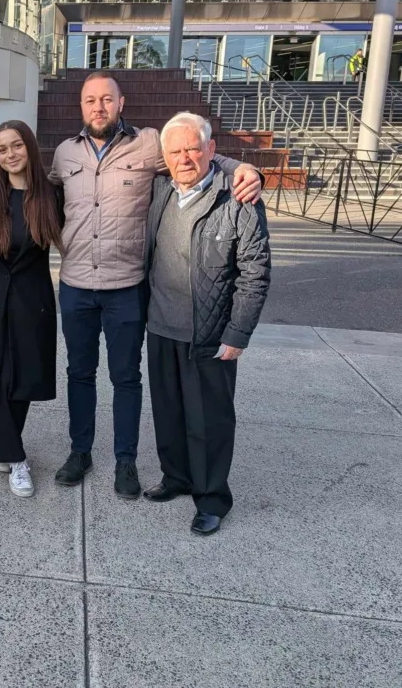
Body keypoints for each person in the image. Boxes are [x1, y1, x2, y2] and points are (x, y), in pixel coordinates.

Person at [48, 70, 262, 498]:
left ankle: (126, 461)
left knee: (126, 378)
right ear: (81, 106)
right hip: (74, 286)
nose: (99, 107)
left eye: (106, 99)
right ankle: (80, 451)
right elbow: (47, 199)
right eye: (91, 100)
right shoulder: (64, 154)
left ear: (121, 103)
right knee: (79, 373)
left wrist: (247, 168)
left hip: (126, 287)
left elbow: (196, 154)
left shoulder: (148, 144)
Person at [142, 112, 271, 536]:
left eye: (194, 148)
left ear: (211, 150)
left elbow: (256, 271)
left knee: (210, 421)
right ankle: (176, 477)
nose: (185, 158)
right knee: (169, 412)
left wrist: (238, 334)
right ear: (165, 156)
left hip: (210, 334)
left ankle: (212, 498)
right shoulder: (160, 189)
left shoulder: (237, 199)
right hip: (161, 326)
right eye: (175, 151)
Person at [0, 120, 64, 498]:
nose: (9, 155)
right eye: (2, 149)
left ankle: (5, 446)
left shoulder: (51, 195)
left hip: (32, 296)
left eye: (16, 146)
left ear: (30, 147)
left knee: (24, 373)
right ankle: (15, 456)